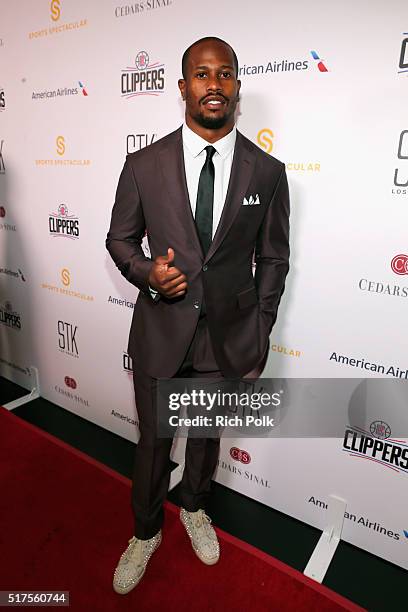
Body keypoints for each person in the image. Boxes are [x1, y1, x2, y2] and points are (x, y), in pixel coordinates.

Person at [106, 36, 290, 595]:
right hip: (163, 333)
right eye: (202, 74)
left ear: (237, 88)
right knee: (155, 444)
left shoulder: (267, 171)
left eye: (226, 73)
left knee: (206, 440)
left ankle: (193, 508)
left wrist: (258, 328)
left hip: (227, 339)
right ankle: (145, 533)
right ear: (183, 87)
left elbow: (273, 258)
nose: (215, 83)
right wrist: (147, 274)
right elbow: (119, 240)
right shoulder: (144, 163)